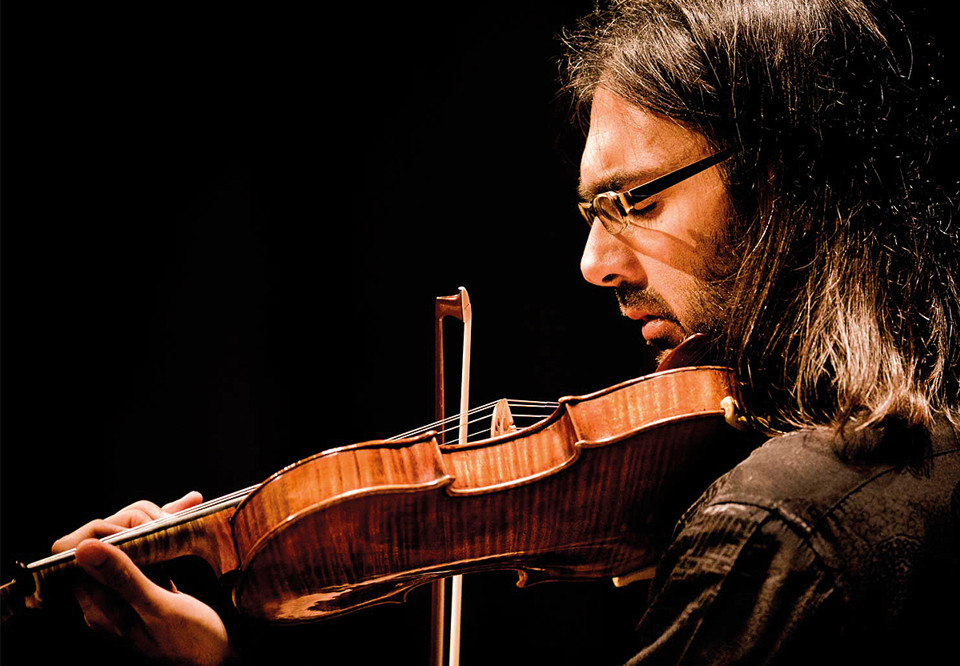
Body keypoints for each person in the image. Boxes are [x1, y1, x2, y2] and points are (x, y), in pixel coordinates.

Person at [49, 0, 960, 663]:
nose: (595, 263)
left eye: (633, 200)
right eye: (588, 211)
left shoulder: (769, 535)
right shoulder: (928, 460)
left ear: (788, 184)